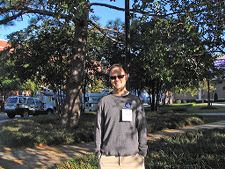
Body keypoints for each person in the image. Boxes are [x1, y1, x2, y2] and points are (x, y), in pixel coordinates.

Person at [95, 64, 148, 169]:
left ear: (126, 77)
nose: (117, 79)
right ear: (110, 80)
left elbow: (142, 127)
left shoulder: (135, 101)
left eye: (120, 76)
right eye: (113, 77)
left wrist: (142, 152)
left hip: (133, 159)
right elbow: (98, 128)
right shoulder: (104, 102)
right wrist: (98, 152)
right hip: (108, 160)